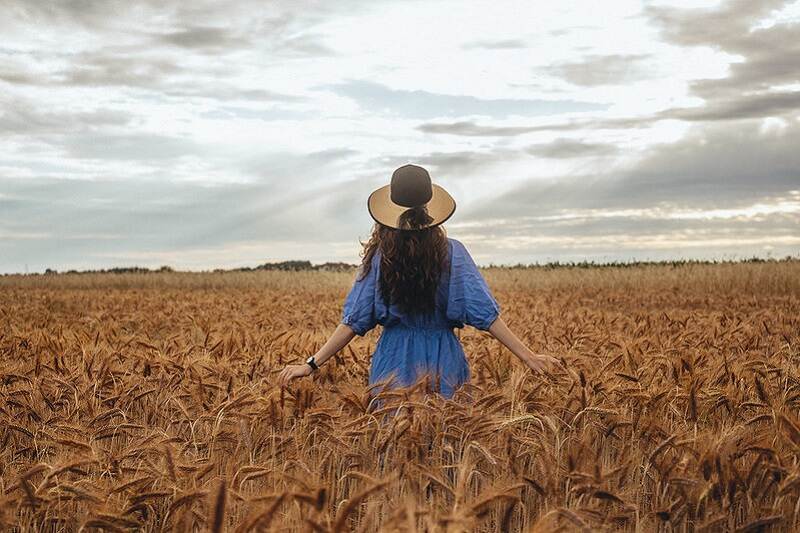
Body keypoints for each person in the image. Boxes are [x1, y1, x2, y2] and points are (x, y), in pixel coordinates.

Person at [277, 164, 558, 400]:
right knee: (447, 444)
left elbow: (353, 322)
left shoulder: (379, 257)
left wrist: (311, 364)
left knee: (396, 447)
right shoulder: (453, 253)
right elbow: (486, 315)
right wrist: (528, 356)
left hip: (394, 361)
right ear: (428, 206)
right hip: (443, 358)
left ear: (390, 209)